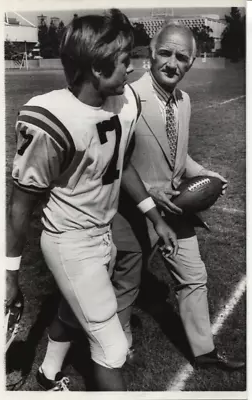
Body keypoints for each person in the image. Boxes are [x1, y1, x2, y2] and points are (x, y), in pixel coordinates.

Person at [6, 10, 178, 392]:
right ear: (98, 70)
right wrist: (10, 274)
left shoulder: (124, 102)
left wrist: (156, 219)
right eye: (123, 62)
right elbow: (21, 206)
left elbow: (121, 163)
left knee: (71, 312)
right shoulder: (53, 119)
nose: (132, 70)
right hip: (70, 242)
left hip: (102, 236)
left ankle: (48, 375)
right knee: (113, 348)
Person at [112, 22, 245, 370]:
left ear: (191, 63)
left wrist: (203, 173)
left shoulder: (183, 101)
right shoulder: (127, 97)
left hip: (177, 209)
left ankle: (204, 352)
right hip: (135, 211)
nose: (172, 63)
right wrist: (150, 193)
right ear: (151, 55)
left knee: (194, 276)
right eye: (166, 54)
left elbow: (178, 155)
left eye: (182, 57)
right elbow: (115, 161)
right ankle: (115, 343)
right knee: (126, 285)